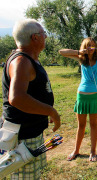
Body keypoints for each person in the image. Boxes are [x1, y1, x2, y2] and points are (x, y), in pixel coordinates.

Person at [1, 19, 61, 179]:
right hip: (23, 138)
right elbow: (17, 98)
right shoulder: (21, 61)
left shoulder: (29, 59)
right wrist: (51, 111)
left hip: (30, 133)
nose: (46, 37)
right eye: (44, 34)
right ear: (35, 38)